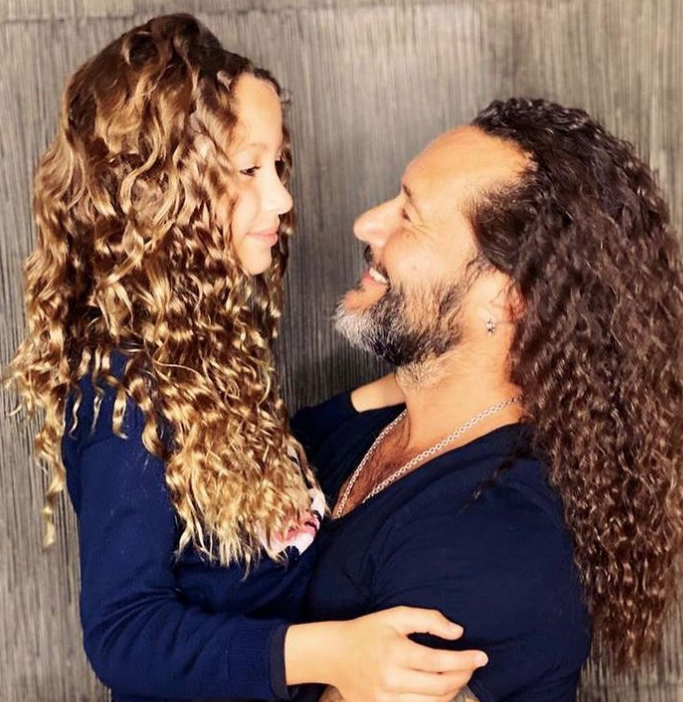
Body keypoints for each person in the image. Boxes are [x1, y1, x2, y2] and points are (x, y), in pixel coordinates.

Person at [5, 14, 487, 702]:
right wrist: (332, 654)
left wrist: (402, 389)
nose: (282, 199)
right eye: (249, 169)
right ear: (161, 189)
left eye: (278, 166)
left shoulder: (209, 344)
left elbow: (253, 453)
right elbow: (123, 633)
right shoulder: (122, 394)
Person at [292, 99, 683, 702]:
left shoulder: (490, 540)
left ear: (506, 298)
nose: (367, 224)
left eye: (409, 214)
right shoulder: (384, 420)